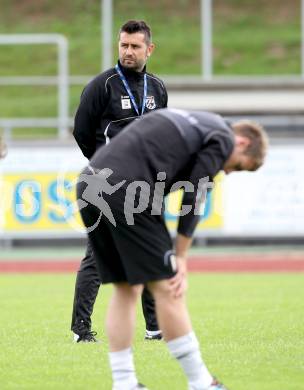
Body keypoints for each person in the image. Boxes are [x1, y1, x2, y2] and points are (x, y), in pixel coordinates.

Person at [76, 108, 268, 390]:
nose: (227, 172)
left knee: (126, 288)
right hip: (127, 191)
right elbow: (196, 192)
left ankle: (124, 383)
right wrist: (180, 256)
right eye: (238, 166)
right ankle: (202, 383)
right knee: (169, 286)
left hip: (89, 186)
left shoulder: (199, 122)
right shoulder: (222, 136)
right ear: (243, 143)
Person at [71, 20, 167, 342]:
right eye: (123, 45)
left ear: (149, 49)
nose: (128, 51)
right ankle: (80, 330)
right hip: (108, 185)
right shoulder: (103, 85)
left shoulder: (158, 88)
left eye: (135, 46)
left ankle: (154, 328)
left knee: (151, 253)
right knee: (97, 257)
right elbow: (82, 132)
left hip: (146, 186)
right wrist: (103, 165)